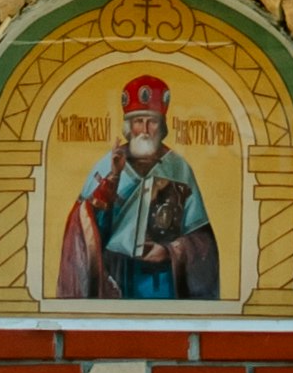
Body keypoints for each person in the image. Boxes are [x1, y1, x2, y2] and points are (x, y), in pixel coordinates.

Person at [57, 69, 219, 298]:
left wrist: (169, 251)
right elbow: (83, 230)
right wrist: (112, 179)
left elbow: (202, 241)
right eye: (138, 121)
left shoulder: (179, 168)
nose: (144, 130)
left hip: (161, 279)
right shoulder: (107, 164)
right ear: (128, 127)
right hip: (114, 275)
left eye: (151, 121)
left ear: (161, 126)